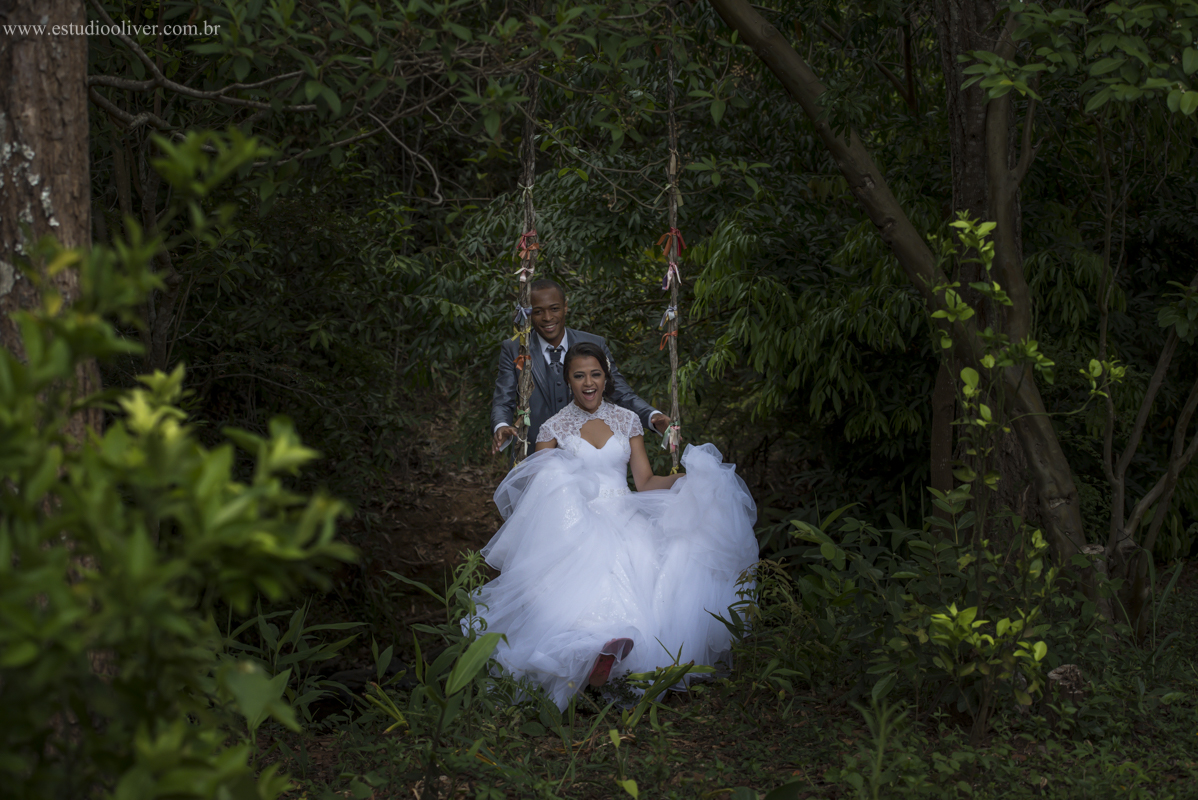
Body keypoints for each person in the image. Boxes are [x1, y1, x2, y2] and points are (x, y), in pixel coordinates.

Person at [464, 341, 758, 710]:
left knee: (648, 560)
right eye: (579, 376)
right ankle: (593, 649)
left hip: (624, 513)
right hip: (574, 520)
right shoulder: (553, 428)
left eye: (595, 374)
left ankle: (613, 657)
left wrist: (686, 479)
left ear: (606, 377)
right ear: (568, 381)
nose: (588, 383)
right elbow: (540, 487)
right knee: (590, 554)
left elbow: (646, 482)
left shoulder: (626, 420)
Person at [491, 279, 670, 455]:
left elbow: (620, 392)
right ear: (528, 313)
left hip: (586, 457)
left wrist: (651, 415)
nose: (547, 318)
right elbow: (503, 399)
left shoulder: (594, 343)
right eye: (538, 311)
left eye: (554, 309)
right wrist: (502, 425)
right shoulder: (515, 348)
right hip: (533, 456)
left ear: (565, 306)